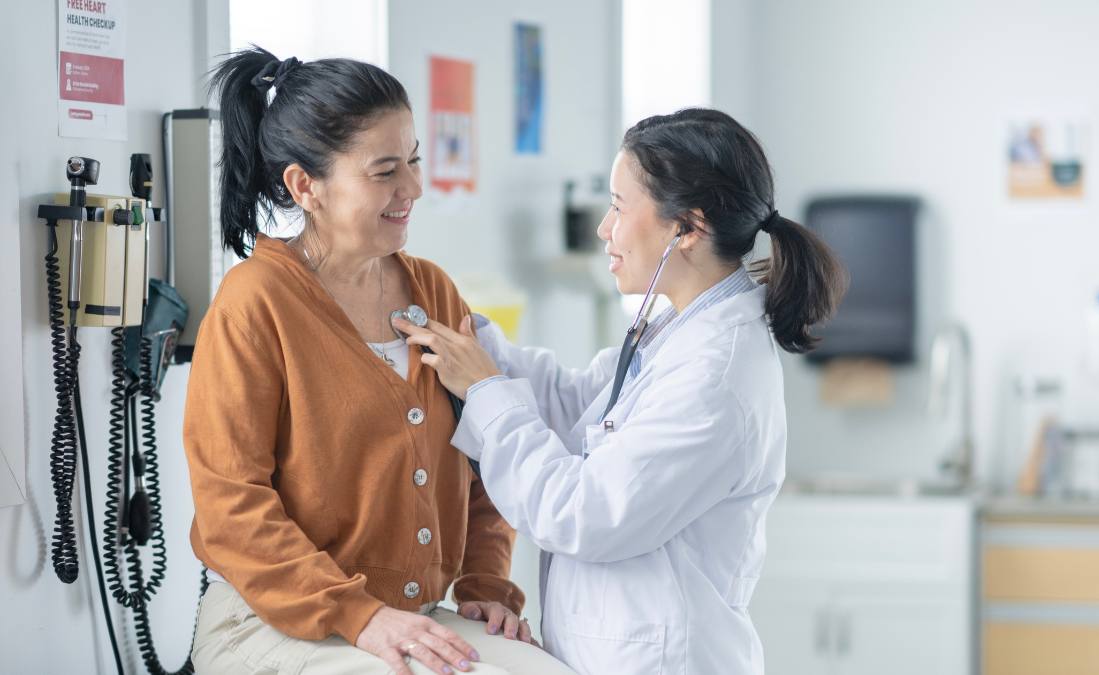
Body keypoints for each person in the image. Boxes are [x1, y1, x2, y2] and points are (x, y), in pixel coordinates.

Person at [394, 108, 847, 673]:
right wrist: (475, 340)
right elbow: (582, 405)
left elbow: (583, 512)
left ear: (687, 228)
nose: (604, 230)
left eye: (617, 206)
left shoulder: (715, 374)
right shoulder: (679, 331)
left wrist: (485, 388)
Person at [184, 47, 573, 675]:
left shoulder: (435, 292)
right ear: (303, 185)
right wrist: (362, 617)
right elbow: (232, 509)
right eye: (385, 170)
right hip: (271, 623)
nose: (413, 188)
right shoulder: (253, 305)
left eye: (413, 160)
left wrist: (484, 585)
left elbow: (487, 458)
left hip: (410, 616)